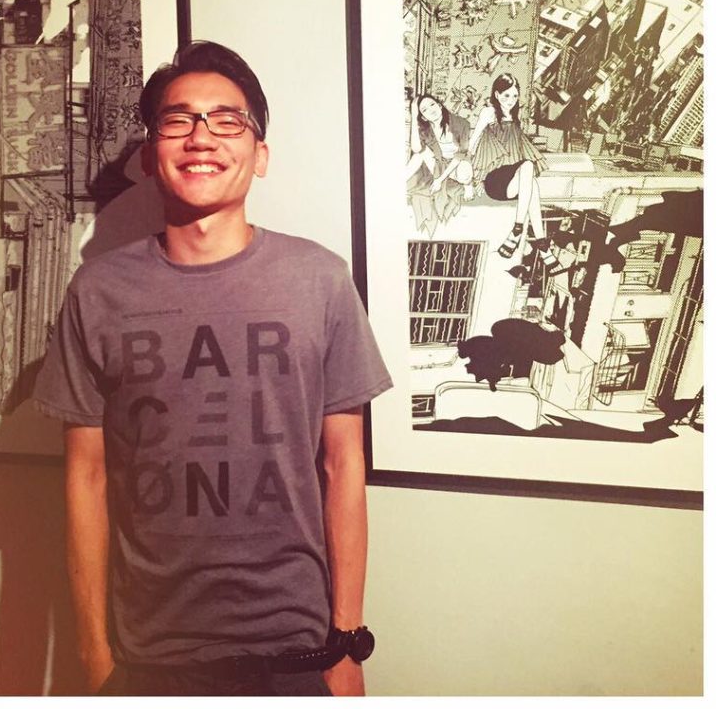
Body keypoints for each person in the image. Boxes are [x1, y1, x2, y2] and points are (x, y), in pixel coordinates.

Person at [32, 41, 392, 697]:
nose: (201, 137)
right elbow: (85, 477)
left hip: (298, 650)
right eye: (178, 120)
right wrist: (92, 650)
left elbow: (344, 466)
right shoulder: (98, 291)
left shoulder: (319, 280)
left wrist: (347, 642)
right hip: (148, 658)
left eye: (227, 120)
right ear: (151, 155)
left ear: (260, 155)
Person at [468, 73, 562, 274]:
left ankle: (541, 244)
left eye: (514, 96)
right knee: (528, 167)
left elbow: (519, 150)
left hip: (512, 180)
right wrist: (472, 178)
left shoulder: (515, 118)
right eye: (506, 95)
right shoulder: (489, 112)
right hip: (494, 180)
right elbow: (472, 143)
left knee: (532, 183)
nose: (511, 100)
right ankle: (519, 229)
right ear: (496, 94)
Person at [405, 93, 473, 234]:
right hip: (439, 163)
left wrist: (439, 180)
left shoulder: (462, 123)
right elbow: (416, 148)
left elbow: (461, 153)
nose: (431, 110)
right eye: (425, 110)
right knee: (419, 154)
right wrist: (414, 115)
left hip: (458, 162)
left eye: (432, 104)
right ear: (423, 117)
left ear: (440, 105)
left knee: (464, 173)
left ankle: (468, 185)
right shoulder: (426, 130)